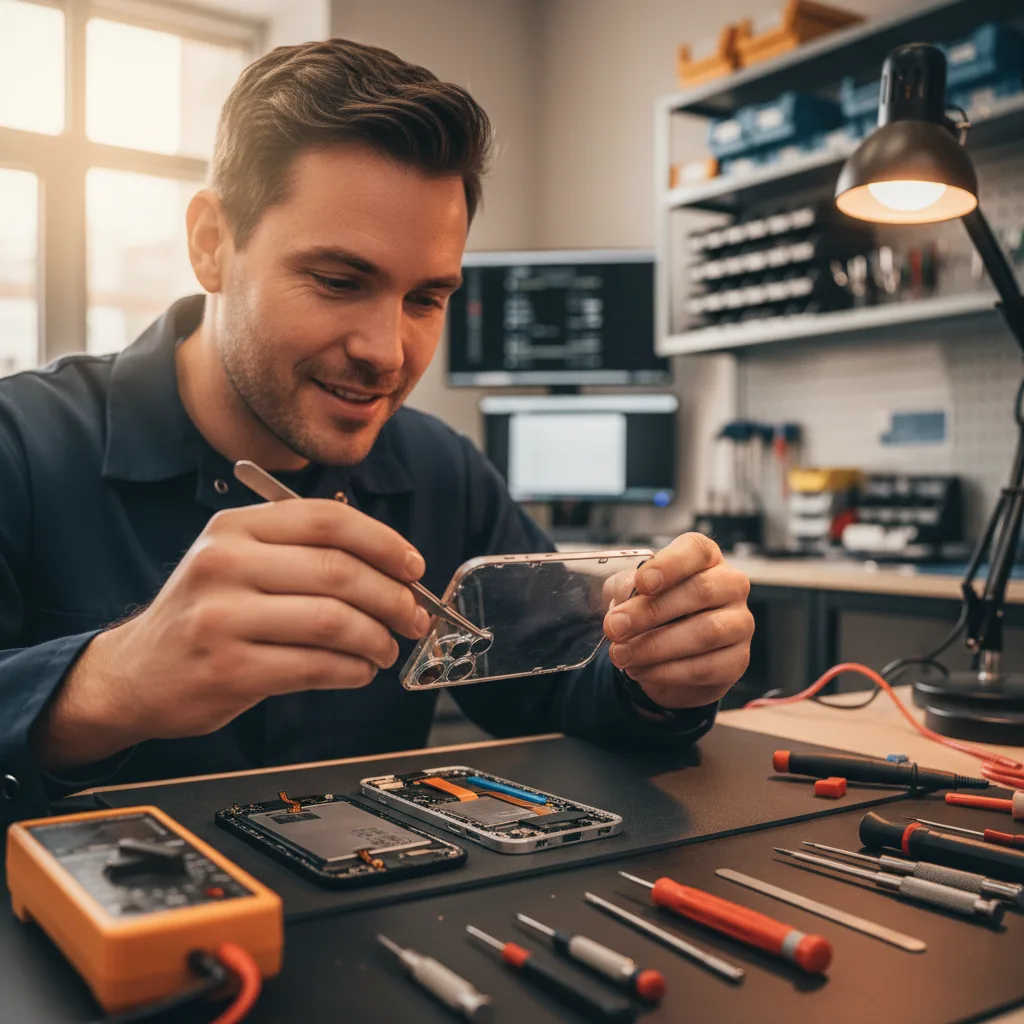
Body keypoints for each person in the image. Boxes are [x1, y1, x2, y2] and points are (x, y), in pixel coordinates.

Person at [0, 39, 754, 828]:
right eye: (337, 281)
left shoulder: (441, 471)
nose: (387, 353)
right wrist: (109, 684)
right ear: (211, 244)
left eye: (426, 299)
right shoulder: (22, 446)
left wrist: (658, 676)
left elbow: (554, 692)